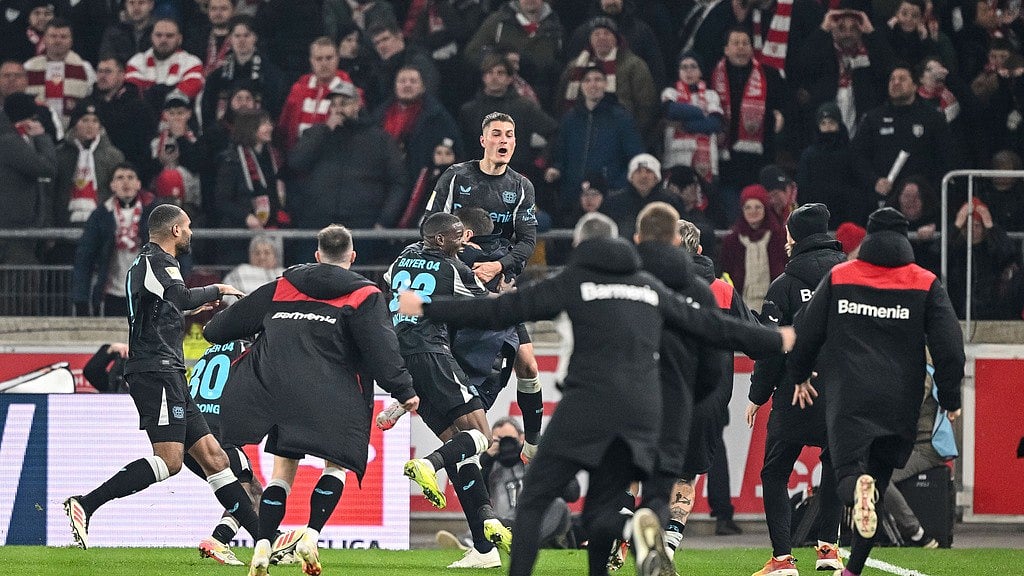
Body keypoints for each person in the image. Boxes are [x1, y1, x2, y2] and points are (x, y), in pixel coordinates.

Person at [398, 211, 796, 576]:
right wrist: (779, 338)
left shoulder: (577, 281)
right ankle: (632, 528)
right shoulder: (648, 287)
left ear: (579, 246)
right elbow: (713, 327)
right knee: (603, 508)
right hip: (643, 409)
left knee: (536, 497)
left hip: (588, 403)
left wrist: (428, 308)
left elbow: (500, 312)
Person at [203, 224, 420, 576]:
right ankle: (312, 534)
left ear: (317, 256)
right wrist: (404, 390)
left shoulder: (283, 285)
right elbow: (383, 351)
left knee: (281, 473)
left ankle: (261, 545)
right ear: (352, 257)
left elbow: (217, 330)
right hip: (333, 394)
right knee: (336, 466)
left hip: (278, 392)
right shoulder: (365, 295)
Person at [63, 204, 258, 552]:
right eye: (188, 227)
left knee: (215, 457)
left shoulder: (144, 265)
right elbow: (179, 295)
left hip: (168, 372)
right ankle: (86, 503)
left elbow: (166, 304)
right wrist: (218, 289)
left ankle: (267, 541)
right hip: (157, 371)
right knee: (170, 461)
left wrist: (184, 307)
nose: (192, 233)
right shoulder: (159, 261)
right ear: (175, 231)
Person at [789, 207, 965, 576]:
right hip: (901, 398)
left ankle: (858, 492)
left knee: (848, 477)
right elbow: (950, 347)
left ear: (869, 236)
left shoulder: (842, 275)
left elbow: (806, 331)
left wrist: (800, 374)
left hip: (849, 396)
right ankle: (853, 569)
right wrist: (949, 399)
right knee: (878, 483)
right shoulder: (925, 282)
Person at [384, 212, 514, 569]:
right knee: (481, 436)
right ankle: (427, 464)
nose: (465, 240)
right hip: (433, 355)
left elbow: (391, 292)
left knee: (462, 451)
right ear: (440, 240)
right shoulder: (451, 270)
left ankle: (484, 549)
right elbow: (486, 308)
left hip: (401, 357)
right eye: (458, 237)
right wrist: (506, 295)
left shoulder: (399, 261)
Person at [424, 111, 545, 460]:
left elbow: (527, 240)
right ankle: (443, 427)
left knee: (530, 366)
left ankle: (533, 442)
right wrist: (458, 252)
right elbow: (428, 225)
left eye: (509, 134)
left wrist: (501, 265)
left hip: (497, 284)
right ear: (483, 140)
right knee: (455, 367)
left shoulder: (521, 187)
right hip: (457, 281)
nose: (503, 140)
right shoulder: (456, 177)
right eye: (496, 134)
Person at [745, 203, 847, 576]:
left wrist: (757, 395)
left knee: (774, 473)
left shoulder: (785, 286)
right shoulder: (851, 278)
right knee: (834, 466)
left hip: (795, 393)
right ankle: (829, 551)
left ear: (795, 237)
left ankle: (783, 560)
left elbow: (774, 348)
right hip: (841, 393)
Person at [71, 163, 154, 317]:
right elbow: (85, 257)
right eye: (120, 178)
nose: (126, 182)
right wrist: (81, 297)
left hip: (146, 292)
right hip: (113, 293)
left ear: (138, 184)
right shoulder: (101, 215)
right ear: (112, 185)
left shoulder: (153, 212)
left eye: (130, 177)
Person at [221, 235, 285, 301]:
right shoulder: (240, 271)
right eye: (257, 253)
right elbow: (226, 294)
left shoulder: (283, 274)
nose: (262, 257)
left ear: (275, 256)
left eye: (267, 253)